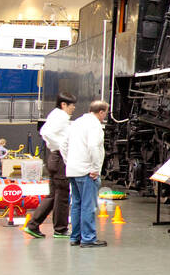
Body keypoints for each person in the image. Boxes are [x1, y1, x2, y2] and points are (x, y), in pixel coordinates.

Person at [25, 93, 76, 239]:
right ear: (63, 105)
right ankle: (60, 229)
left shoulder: (55, 115)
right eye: (72, 105)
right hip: (59, 158)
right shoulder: (61, 117)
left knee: (53, 195)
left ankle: (33, 225)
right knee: (62, 195)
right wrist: (62, 148)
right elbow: (46, 132)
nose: (74, 108)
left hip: (54, 157)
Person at [65, 100, 109, 248]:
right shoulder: (95, 125)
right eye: (105, 113)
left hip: (73, 169)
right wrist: (96, 168)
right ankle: (88, 238)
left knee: (76, 204)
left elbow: (63, 144)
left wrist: (69, 161)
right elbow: (93, 146)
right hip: (86, 171)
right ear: (101, 112)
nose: (105, 116)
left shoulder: (76, 122)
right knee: (88, 206)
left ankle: (75, 237)